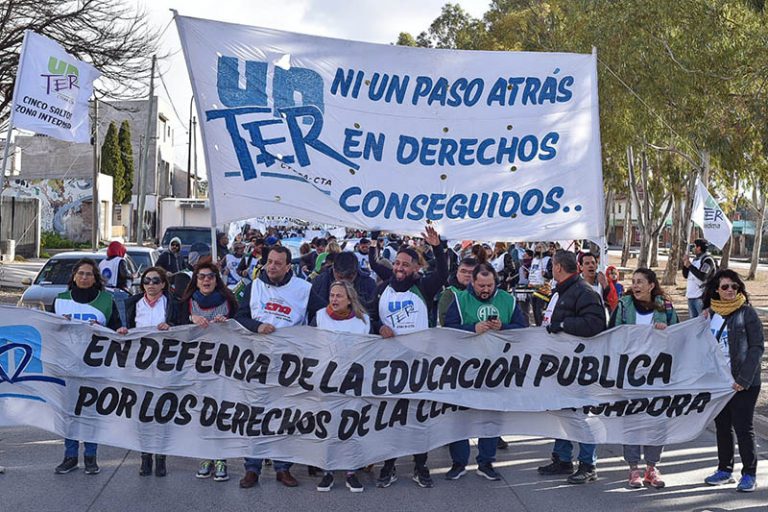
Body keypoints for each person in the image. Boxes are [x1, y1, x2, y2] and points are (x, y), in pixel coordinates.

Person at [370, 225, 448, 489]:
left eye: (405, 264)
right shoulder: (384, 289)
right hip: (389, 363)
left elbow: (444, 272)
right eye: (397, 263)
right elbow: (370, 317)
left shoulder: (423, 286)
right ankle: (389, 465)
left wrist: (437, 246)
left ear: (415, 268)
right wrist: (378, 327)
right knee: (390, 416)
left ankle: (420, 465)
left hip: (417, 364)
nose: (399, 268)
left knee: (418, 417)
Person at [235, 245, 312, 490]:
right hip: (257, 362)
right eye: (269, 261)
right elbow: (239, 317)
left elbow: (325, 314)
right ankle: (252, 469)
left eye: (279, 263)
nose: (272, 266)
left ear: (289, 266)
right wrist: (256, 326)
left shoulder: (304, 289)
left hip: (289, 364)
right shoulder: (253, 286)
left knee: (284, 416)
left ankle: (283, 468)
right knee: (256, 415)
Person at [443, 263, 528, 481]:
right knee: (459, 418)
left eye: (490, 285)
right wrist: (472, 329)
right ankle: (459, 462)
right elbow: (447, 330)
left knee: (491, 418)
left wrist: (504, 328)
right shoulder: (460, 301)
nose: (485, 290)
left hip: (497, 370)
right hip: (464, 370)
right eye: (481, 285)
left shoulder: (507, 301)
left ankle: (486, 462)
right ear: (472, 282)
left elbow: (524, 330)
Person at [537, 250, 606, 484]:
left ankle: (588, 464)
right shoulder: (560, 291)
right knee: (561, 413)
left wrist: (564, 324)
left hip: (579, 366)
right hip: (558, 365)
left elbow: (596, 324)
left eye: (551, 265)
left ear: (558, 267)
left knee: (581, 416)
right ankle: (563, 459)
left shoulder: (584, 292)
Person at [609, 268, 678, 489]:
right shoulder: (623, 305)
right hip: (630, 375)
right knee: (632, 421)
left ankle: (652, 468)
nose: (636, 285)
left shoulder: (665, 306)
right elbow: (611, 334)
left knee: (656, 422)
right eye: (634, 281)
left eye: (640, 282)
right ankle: (633, 469)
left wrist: (665, 331)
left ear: (651, 285)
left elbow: (678, 336)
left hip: (657, 376)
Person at [53, 258, 122, 476]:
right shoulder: (60, 300)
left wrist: (109, 331)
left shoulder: (106, 300)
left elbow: (118, 329)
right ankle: (70, 456)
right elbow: (48, 330)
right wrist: (58, 324)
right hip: (67, 365)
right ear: (74, 276)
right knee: (70, 413)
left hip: (95, 367)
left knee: (91, 413)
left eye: (89, 274)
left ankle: (91, 457)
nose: (84, 277)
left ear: (95, 278)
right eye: (81, 273)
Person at [702, 269, 763, 492]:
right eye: (725, 287)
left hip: (744, 382)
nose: (730, 291)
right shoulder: (709, 315)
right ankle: (725, 470)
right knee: (722, 427)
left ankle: (749, 474)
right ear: (716, 290)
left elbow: (757, 348)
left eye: (734, 287)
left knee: (743, 427)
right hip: (719, 383)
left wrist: (743, 379)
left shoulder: (747, 313)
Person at [177, 262, 238, 482]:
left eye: (210, 276)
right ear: (196, 279)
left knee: (219, 411)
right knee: (201, 411)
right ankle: (205, 456)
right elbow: (174, 326)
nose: (206, 280)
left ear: (216, 279)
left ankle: (220, 458)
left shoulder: (229, 301)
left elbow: (241, 328)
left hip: (222, 365)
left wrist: (228, 324)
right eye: (201, 276)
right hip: (195, 365)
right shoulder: (186, 303)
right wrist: (190, 319)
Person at [117, 267, 176, 478]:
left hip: (165, 365)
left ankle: (161, 458)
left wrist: (172, 326)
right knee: (142, 413)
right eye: (147, 280)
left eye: (156, 280)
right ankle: (145, 457)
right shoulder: (132, 303)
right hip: (139, 366)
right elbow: (122, 326)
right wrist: (123, 330)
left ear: (163, 284)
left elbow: (183, 327)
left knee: (162, 412)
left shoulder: (172, 304)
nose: (151, 284)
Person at [312, 280, 370, 492]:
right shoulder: (319, 317)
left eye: (339, 296)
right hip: (326, 381)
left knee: (350, 426)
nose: (334, 299)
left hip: (353, 382)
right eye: (332, 295)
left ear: (349, 299)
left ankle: (351, 471)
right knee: (327, 425)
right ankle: (327, 471)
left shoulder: (363, 322)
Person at [309, 251, 376, 323]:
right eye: (340, 277)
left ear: (356, 272)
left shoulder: (369, 284)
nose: (345, 282)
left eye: (349, 278)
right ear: (334, 271)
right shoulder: (319, 282)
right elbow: (312, 313)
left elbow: (373, 313)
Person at [98, 240, 131, 325]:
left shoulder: (102, 262)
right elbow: (124, 275)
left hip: (105, 291)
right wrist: (133, 276)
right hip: (118, 292)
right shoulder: (120, 261)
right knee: (122, 316)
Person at [682, 238, 717, 318]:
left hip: (701, 298)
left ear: (699, 248)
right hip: (691, 297)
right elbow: (686, 275)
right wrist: (685, 264)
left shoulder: (708, 260)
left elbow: (703, 276)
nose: (693, 248)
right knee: (693, 324)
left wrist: (690, 266)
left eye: (694, 246)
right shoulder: (695, 260)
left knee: (703, 322)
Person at [437, 257, 477, 327]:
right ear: (457, 273)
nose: (467, 275)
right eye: (463, 271)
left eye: (471, 272)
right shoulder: (450, 293)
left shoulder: (485, 292)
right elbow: (444, 321)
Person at [528, 243, 552, 326]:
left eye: (540, 247)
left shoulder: (549, 259)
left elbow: (551, 274)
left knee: (539, 311)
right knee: (534, 310)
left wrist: (545, 274)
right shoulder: (534, 259)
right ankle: (538, 325)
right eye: (537, 247)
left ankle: (541, 326)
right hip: (533, 287)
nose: (538, 249)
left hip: (543, 289)